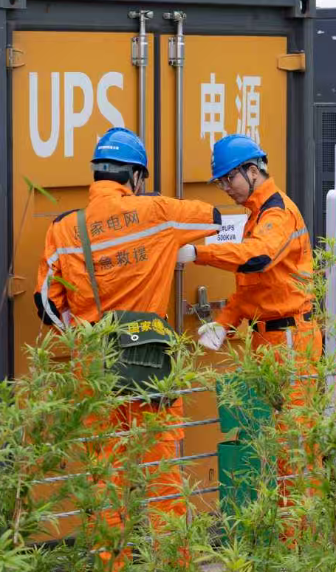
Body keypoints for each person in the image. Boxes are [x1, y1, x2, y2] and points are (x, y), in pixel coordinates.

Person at [35, 126, 221, 567]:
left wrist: (84, 334)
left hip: (95, 368)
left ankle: (111, 563)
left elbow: (46, 305)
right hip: (150, 362)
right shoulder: (157, 211)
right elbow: (214, 217)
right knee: (161, 478)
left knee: (105, 478)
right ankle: (171, 563)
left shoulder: (64, 229)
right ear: (135, 176)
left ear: (96, 173)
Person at [176, 134, 320, 521]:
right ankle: (288, 529)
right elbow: (251, 290)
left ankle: (301, 536)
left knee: (294, 442)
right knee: (274, 441)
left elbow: (257, 258)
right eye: (220, 182)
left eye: (229, 179)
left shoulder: (277, 214)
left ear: (252, 171)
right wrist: (224, 323)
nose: (226, 188)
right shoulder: (256, 217)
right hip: (270, 340)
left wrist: (200, 253)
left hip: (290, 340)